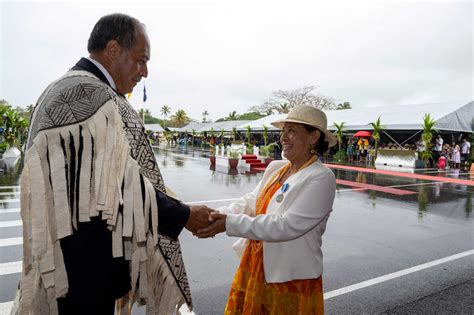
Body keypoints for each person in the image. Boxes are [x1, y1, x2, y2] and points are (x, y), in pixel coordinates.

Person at [16, 13, 213, 314]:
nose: (144, 71)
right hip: (84, 270)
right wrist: (182, 214)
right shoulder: (89, 94)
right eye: (141, 60)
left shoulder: (69, 87)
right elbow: (121, 184)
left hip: (67, 264)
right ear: (113, 50)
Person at [196, 105, 337, 314]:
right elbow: (251, 202)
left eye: (292, 131)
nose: (283, 138)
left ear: (313, 136)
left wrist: (227, 223)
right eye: (283, 131)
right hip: (255, 266)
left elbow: (287, 226)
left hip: (289, 279)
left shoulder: (322, 177)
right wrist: (214, 214)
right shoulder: (276, 168)